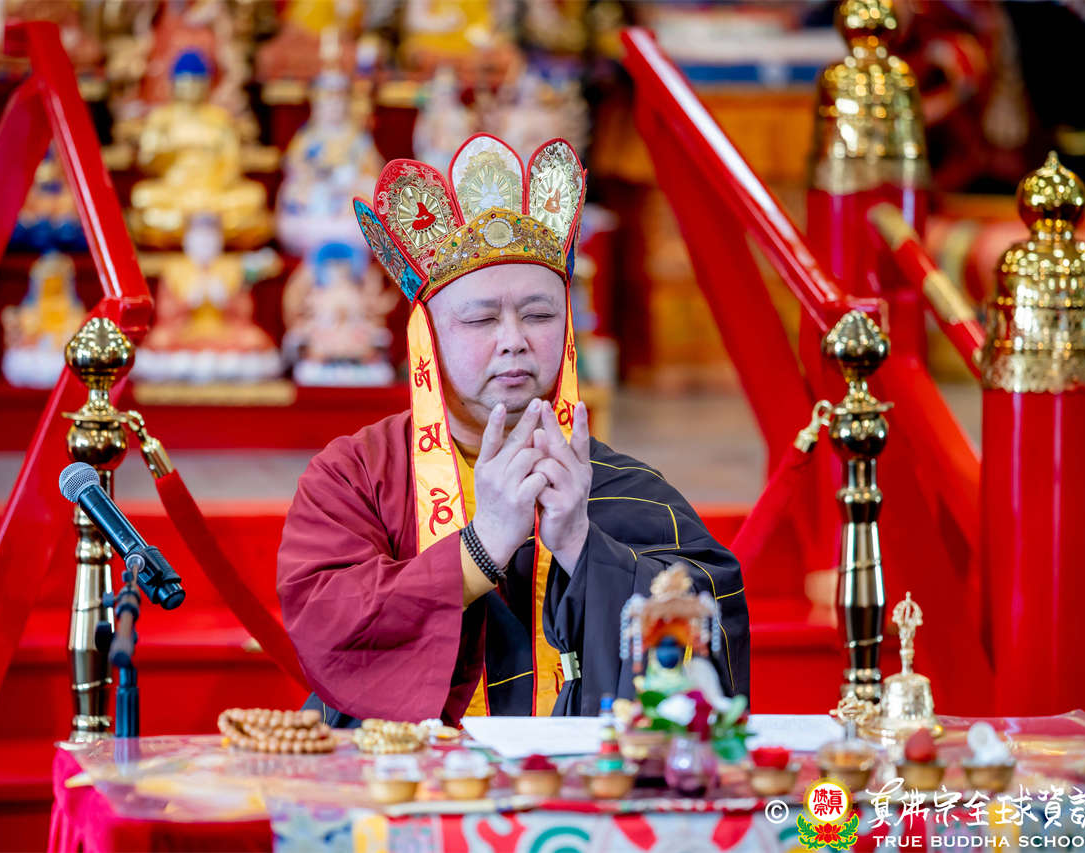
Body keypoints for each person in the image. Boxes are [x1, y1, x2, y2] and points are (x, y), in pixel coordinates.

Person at [277, 134, 749, 724]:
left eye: (539, 314)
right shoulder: (357, 475)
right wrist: (480, 550)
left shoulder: (631, 487)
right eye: (480, 319)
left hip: (581, 777)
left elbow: (712, 631)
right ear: (428, 337)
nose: (513, 340)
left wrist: (581, 543)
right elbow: (325, 623)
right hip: (404, 774)